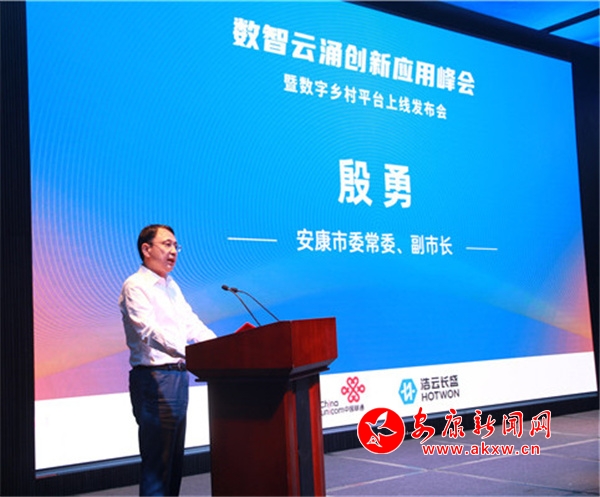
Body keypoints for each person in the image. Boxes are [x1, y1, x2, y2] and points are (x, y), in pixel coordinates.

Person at [119, 224, 216, 496]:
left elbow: (191, 323)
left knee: (173, 463)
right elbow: (148, 332)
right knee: (157, 465)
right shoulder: (135, 286)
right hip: (154, 380)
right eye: (166, 244)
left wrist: (218, 347)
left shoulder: (171, 286)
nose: (173, 251)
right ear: (146, 249)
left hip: (178, 378)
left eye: (176, 245)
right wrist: (190, 352)